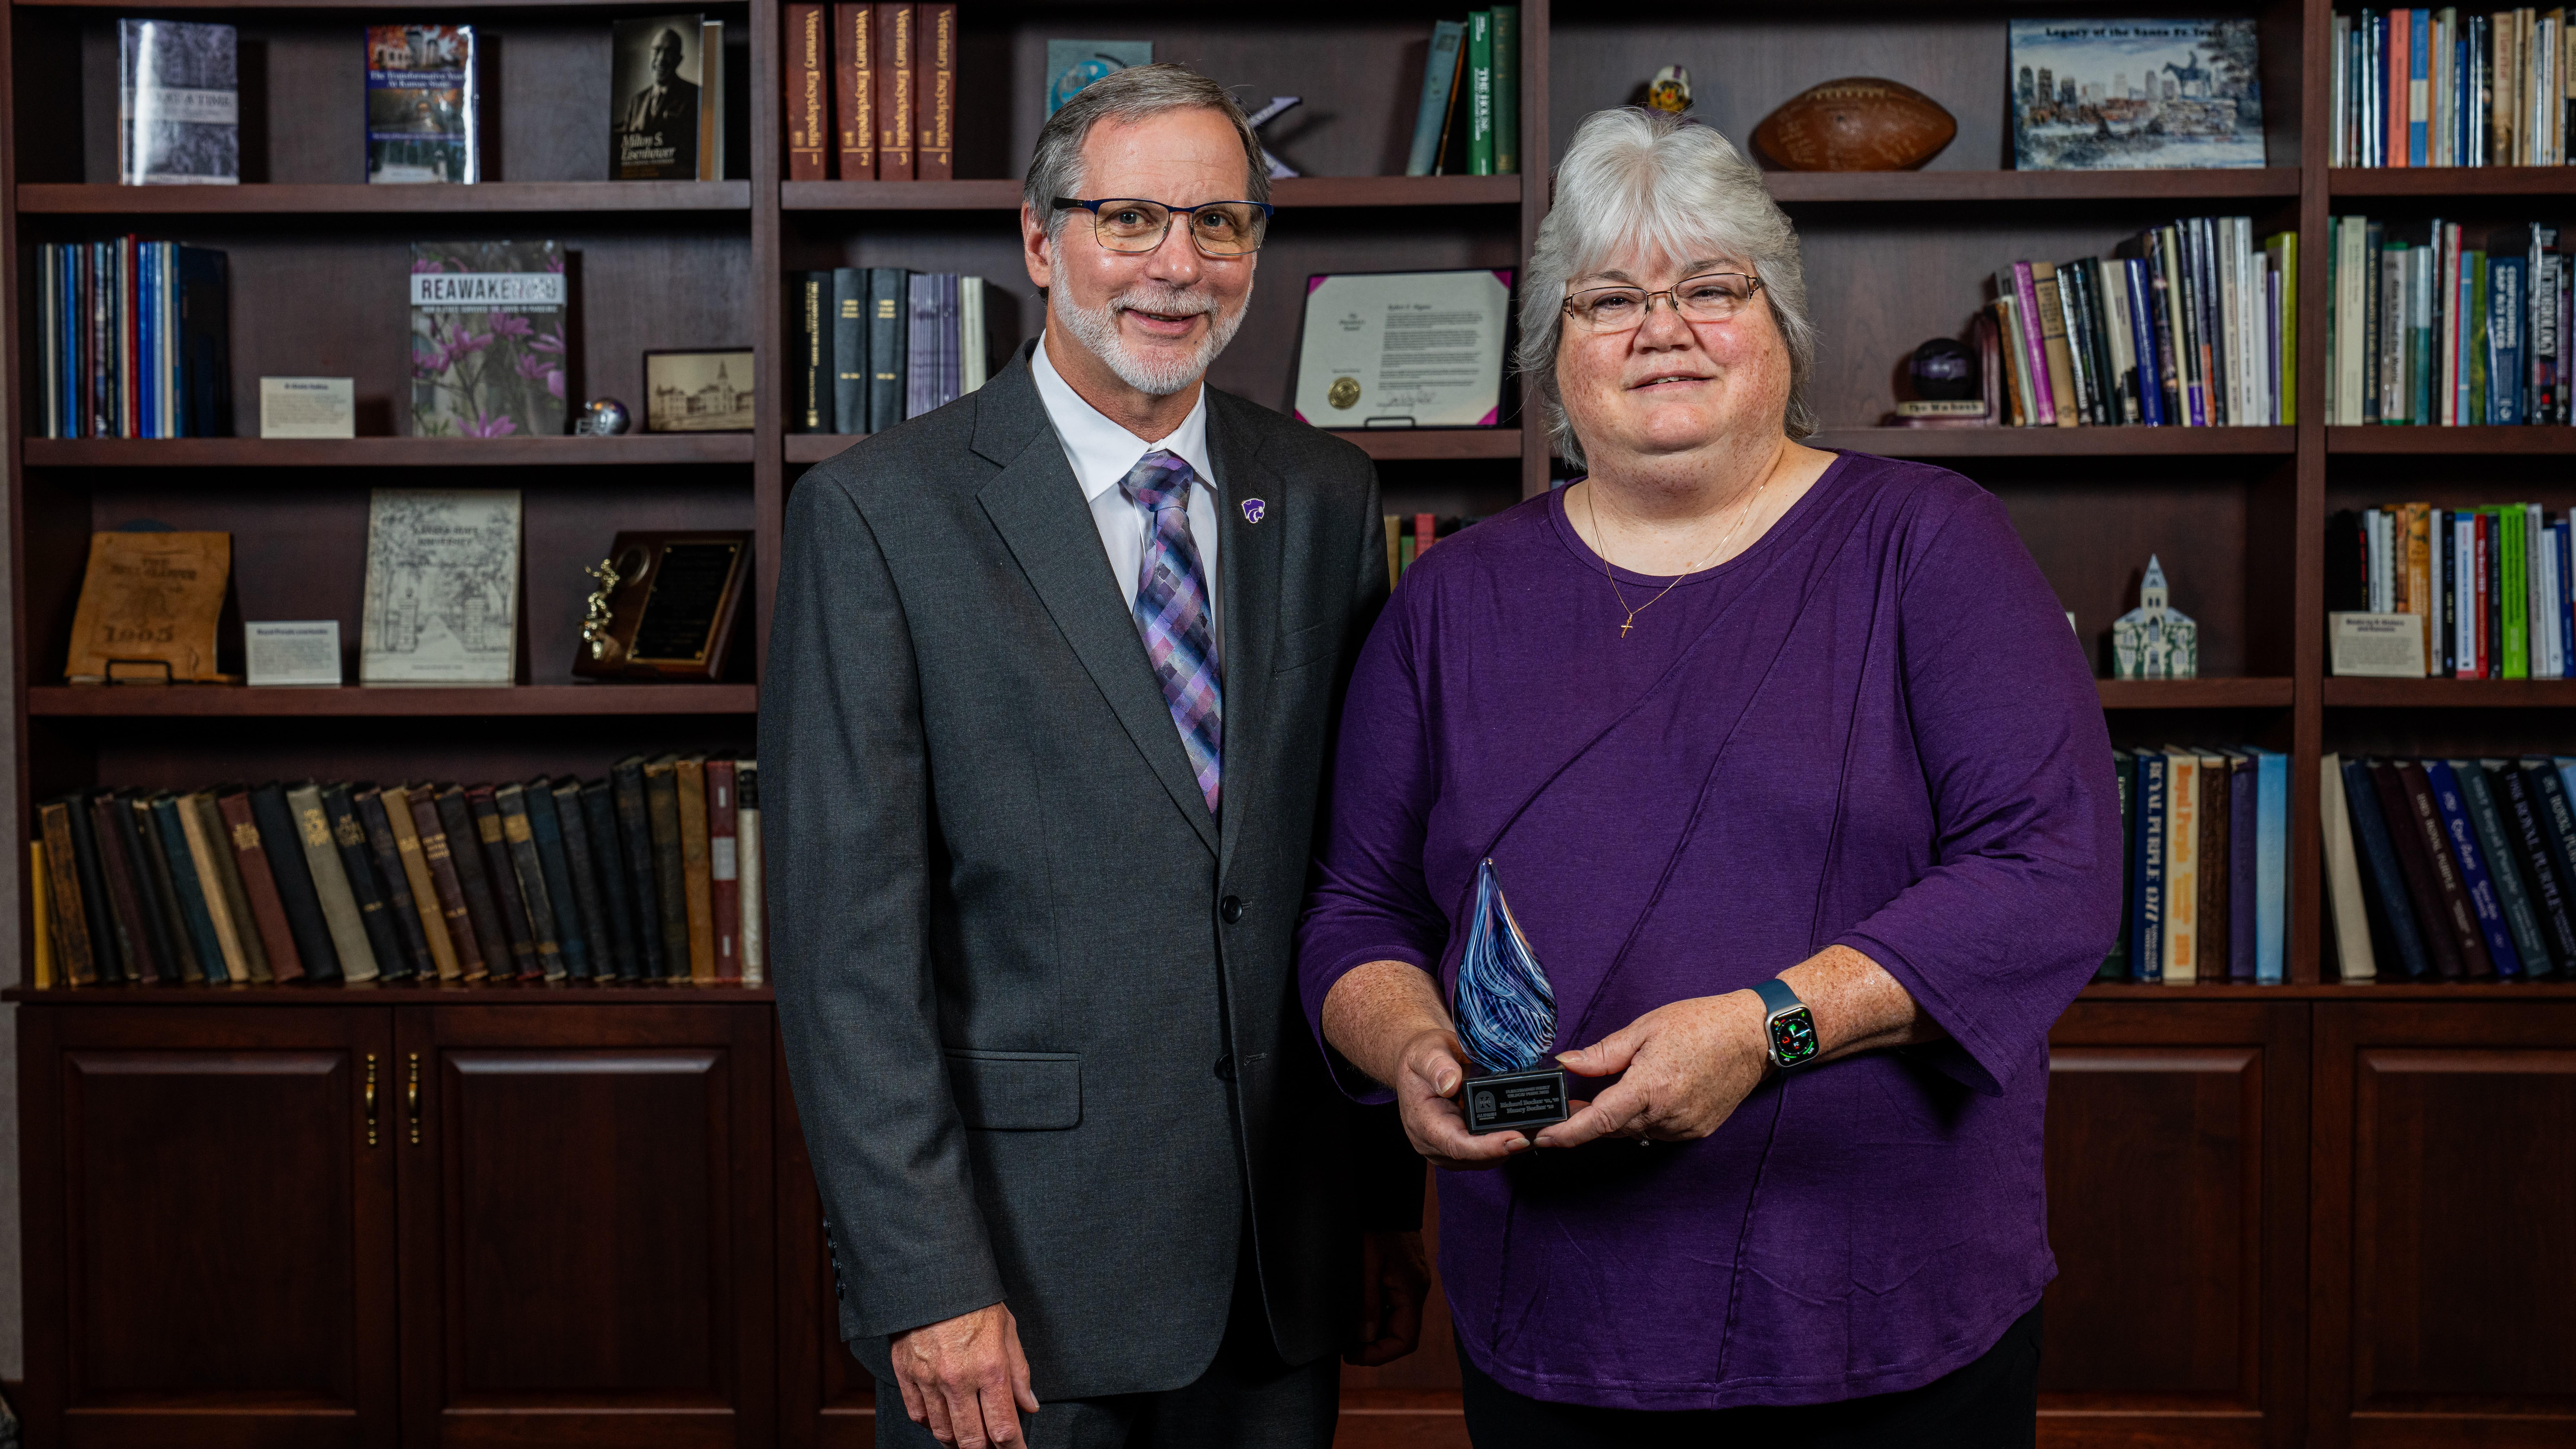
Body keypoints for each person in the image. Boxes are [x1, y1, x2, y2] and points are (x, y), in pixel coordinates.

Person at [1299, 106, 2121, 1445]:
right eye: (1607, 297)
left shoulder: (1928, 545)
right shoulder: (1447, 598)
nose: (1657, 327)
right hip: (1553, 1310)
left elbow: (2048, 876)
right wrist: (1410, 1052)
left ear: (1779, 324)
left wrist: (1762, 1029)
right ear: (1553, 354)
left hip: (1879, 1307)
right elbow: (1352, 910)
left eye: (1708, 287)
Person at [765, 63, 1427, 1449]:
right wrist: (923, 1277)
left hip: (1272, 1268)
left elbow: (1353, 873)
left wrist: (1376, 1203)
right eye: (1128, 220)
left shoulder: (1322, 495)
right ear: (1036, 240)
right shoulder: (879, 516)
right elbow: (846, 957)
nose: (1177, 268)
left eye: (1221, 225)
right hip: (1015, 1286)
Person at [620, 28, 697, 144]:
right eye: (657, 50)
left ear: (679, 60)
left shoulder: (695, 96)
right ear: (650, 55)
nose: (661, 59)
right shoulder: (637, 102)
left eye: (669, 52)